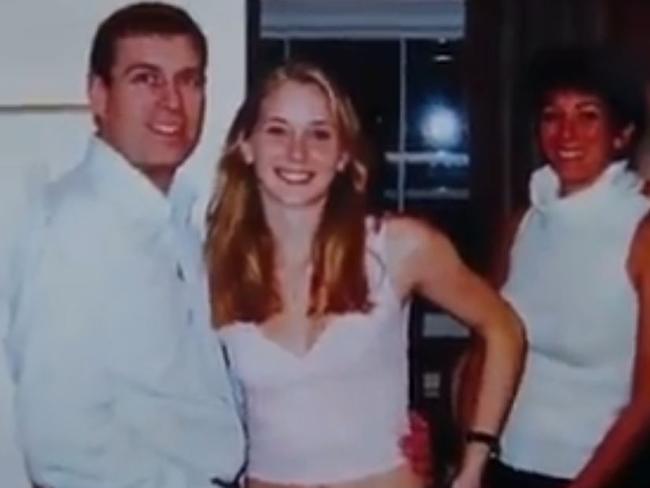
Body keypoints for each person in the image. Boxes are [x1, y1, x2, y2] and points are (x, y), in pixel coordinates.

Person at [204, 61, 525, 488]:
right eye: (278, 131)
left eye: (319, 133)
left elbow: (504, 328)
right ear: (246, 146)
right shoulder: (213, 263)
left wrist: (473, 463)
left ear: (342, 156)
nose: (297, 152)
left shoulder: (398, 247)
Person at [5, 4, 247, 487]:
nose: (172, 102)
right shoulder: (77, 227)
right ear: (99, 95)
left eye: (189, 80)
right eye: (146, 79)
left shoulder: (174, 220)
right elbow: (61, 442)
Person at [459, 46, 650, 488]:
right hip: (504, 466)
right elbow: (484, 349)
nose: (567, 132)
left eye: (588, 116)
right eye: (551, 115)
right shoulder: (522, 223)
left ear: (621, 134)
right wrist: (471, 454)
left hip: (601, 475)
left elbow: (646, 400)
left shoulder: (641, 232)